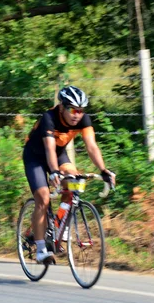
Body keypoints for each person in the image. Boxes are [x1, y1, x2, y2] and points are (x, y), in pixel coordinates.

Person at [23, 86, 115, 263]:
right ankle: (41, 249)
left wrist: (103, 170)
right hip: (35, 156)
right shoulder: (48, 118)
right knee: (43, 198)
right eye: (73, 110)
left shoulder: (83, 119)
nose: (77, 115)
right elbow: (49, 148)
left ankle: (61, 228)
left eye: (80, 111)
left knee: (74, 181)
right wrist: (54, 172)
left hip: (58, 155)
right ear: (62, 107)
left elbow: (91, 146)